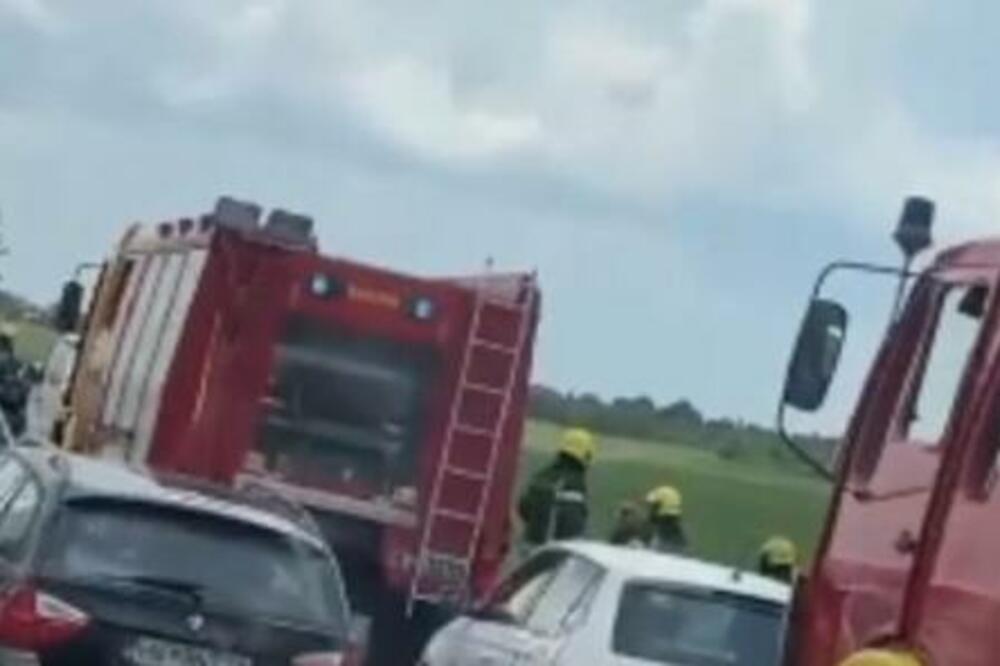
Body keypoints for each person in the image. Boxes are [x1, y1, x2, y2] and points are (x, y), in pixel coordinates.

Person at [517, 427, 595, 553]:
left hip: (529, 547)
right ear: (585, 456)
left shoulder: (543, 475)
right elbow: (574, 527)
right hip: (554, 553)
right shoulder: (575, 484)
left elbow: (523, 507)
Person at [643, 485, 688, 553]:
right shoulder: (669, 493)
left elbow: (654, 509)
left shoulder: (656, 495)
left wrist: (652, 519)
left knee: (663, 537)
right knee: (676, 535)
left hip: (664, 517)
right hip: (674, 516)